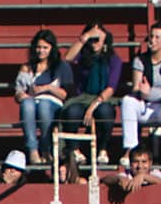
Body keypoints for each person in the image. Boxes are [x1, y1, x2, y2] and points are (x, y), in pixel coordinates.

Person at [58, 22, 123, 167]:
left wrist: (92, 107)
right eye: (91, 40)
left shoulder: (113, 59)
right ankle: (74, 149)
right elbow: (68, 58)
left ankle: (102, 149)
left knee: (106, 111)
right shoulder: (83, 56)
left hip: (103, 98)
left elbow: (111, 88)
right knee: (72, 112)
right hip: (83, 97)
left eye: (97, 39)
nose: (94, 43)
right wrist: (85, 37)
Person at [120, 22, 161, 167]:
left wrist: (154, 93)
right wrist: (147, 93)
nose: (152, 41)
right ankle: (130, 149)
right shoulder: (140, 60)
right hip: (144, 107)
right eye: (151, 36)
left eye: (157, 37)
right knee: (127, 101)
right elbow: (137, 88)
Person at [15, 29, 73, 166]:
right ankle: (33, 149)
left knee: (44, 105)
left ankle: (46, 148)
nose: (41, 51)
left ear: (52, 48)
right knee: (27, 104)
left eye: (45, 48)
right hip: (32, 101)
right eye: (38, 47)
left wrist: (47, 88)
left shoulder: (61, 66)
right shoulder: (27, 67)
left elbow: (66, 94)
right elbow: (18, 93)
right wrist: (21, 95)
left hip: (53, 102)